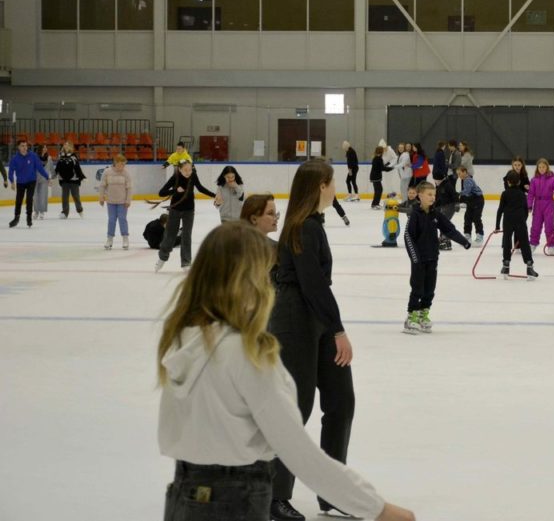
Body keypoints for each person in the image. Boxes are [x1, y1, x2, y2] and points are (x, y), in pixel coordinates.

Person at [157, 222, 416, 521]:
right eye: (269, 274)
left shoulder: (183, 339)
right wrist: (378, 509)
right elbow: (298, 452)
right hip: (235, 501)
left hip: (183, 497)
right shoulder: (247, 354)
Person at [268, 159, 361, 520]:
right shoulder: (303, 227)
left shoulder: (312, 224)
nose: (336, 187)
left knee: (341, 401)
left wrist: (330, 326)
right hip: (295, 320)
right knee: (297, 408)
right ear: (321, 185)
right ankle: (274, 495)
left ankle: (332, 491)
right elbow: (312, 285)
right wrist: (338, 330)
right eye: (333, 182)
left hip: (316, 319)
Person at [403, 181, 472, 334]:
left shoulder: (435, 214)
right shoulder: (415, 215)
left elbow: (449, 229)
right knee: (417, 288)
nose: (432, 197)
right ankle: (411, 316)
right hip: (419, 260)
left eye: (434, 194)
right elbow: (408, 237)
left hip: (432, 258)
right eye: (429, 194)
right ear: (420, 196)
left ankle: (423, 314)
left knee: (429, 289)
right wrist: (415, 258)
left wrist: (463, 241)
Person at [155, 160, 217, 272]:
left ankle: (186, 263)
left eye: (190, 169)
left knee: (186, 236)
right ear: (179, 169)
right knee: (170, 235)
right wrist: (175, 190)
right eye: (185, 170)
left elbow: (200, 188)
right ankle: (162, 257)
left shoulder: (193, 176)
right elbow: (161, 193)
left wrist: (214, 195)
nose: (188, 172)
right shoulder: (175, 177)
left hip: (189, 210)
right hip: (175, 210)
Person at [495, 171, 535, 279]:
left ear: (508, 182)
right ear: (519, 182)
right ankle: (529, 266)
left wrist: (497, 226)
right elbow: (525, 210)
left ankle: (506, 265)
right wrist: (523, 220)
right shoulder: (522, 194)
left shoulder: (505, 193)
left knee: (507, 242)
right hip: (520, 220)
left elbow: (500, 210)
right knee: (524, 243)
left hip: (508, 221)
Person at [8, 140, 50, 228]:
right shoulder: (15, 159)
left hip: (31, 181)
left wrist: (47, 177)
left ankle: (29, 218)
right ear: (18, 147)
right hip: (20, 182)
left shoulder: (33, 156)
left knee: (29, 199)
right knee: (18, 200)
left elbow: (40, 168)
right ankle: (16, 218)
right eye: (22, 146)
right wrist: (12, 181)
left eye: (25, 146)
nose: (24, 147)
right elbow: (11, 171)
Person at [528, 158, 554, 252]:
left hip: (549, 204)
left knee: (549, 226)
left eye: (543, 167)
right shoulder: (534, 180)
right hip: (537, 205)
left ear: (547, 168)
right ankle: (533, 243)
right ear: (537, 168)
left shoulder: (552, 180)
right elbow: (531, 194)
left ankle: (551, 244)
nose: (541, 169)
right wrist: (529, 205)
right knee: (535, 225)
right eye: (540, 167)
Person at [99, 154, 132, 250]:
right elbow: (102, 186)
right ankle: (109, 239)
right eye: (121, 164)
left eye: (124, 164)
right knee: (111, 220)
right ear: (116, 163)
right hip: (111, 201)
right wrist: (101, 197)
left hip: (122, 202)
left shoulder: (126, 173)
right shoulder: (107, 172)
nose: (123, 166)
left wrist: (128, 200)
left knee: (122, 219)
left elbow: (129, 188)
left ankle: (125, 238)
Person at [55, 141, 86, 218]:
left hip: (73, 180)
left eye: (68, 145)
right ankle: (65, 213)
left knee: (75, 196)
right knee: (64, 197)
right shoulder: (60, 156)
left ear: (71, 147)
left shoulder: (73, 157)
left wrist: (82, 177)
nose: (66, 146)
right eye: (65, 144)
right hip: (64, 180)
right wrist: (53, 175)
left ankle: (79, 210)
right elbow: (58, 167)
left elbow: (77, 168)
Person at [457, 166, 485, 243]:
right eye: (458, 174)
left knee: (476, 218)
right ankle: (467, 235)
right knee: (467, 217)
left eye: (459, 173)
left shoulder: (468, 180)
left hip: (478, 200)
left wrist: (458, 193)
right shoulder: (465, 180)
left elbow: (467, 191)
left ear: (464, 172)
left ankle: (480, 236)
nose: (459, 176)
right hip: (471, 200)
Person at [33, 145, 53, 220]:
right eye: (43, 148)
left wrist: (51, 178)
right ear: (40, 149)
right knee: (35, 196)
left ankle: (42, 211)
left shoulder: (49, 158)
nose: (45, 149)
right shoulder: (35, 157)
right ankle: (36, 211)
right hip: (34, 179)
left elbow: (51, 168)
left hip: (44, 179)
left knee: (43, 196)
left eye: (45, 148)